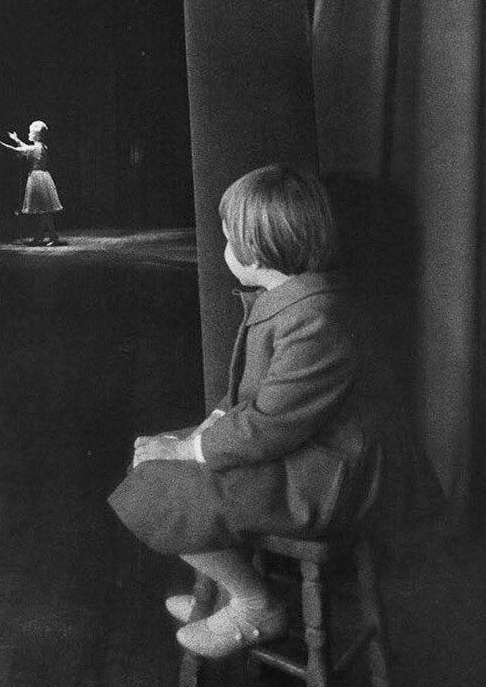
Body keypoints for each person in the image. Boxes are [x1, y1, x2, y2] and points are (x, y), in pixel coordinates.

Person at [108, 164, 387, 660]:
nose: (223, 249)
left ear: (254, 250)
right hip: (296, 450)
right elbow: (253, 401)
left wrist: (188, 449)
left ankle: (257, 604)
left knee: (157, 485)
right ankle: (224, 588)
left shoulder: (315, 316)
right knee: (154, 458)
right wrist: (201, 434)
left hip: (322, 475)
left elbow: (271, 426)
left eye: (226, 238)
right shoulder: (296, 298)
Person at [0, 120, 63, 245]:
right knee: (45, 211)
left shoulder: (34, 148)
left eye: (30, 132)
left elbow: (18, 150)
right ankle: (47, 236)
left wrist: (0, 144)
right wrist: (16, 139)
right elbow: (26, 148)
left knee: (43, 211)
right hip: (43, 177)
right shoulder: (41, 146)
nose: (28, 134)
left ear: (36, 135)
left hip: (37, 179)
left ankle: (47, 236)